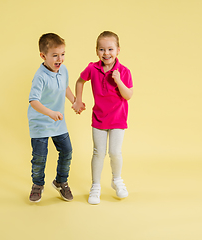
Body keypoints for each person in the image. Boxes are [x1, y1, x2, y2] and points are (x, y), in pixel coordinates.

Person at [72, 31, 133, 204]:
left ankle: (117, 180)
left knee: (114, 152)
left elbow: (128, 95)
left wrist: (119, 80)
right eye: (102, 49)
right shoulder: (93, 68)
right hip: (99, 119)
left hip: (118, 119)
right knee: (98, 153)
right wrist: (78, 101)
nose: (106, 53)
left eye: (110, 49)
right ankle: (95, 186)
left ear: (118, 50)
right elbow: (79, 81)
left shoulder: (124, 71)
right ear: (97, 51)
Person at [28, 33, 84, 203]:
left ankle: (60, 181)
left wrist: (75, 101)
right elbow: (33, 101)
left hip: (58, 122)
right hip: (40, 123)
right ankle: (37, 185)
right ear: (43, 56)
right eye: (55, 55)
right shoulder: (40, 76)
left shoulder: (63, 70)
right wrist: (50, 113)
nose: (60, 59)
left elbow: (65, 87)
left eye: (63, 54)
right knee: (40, 157)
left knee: (67, 151)